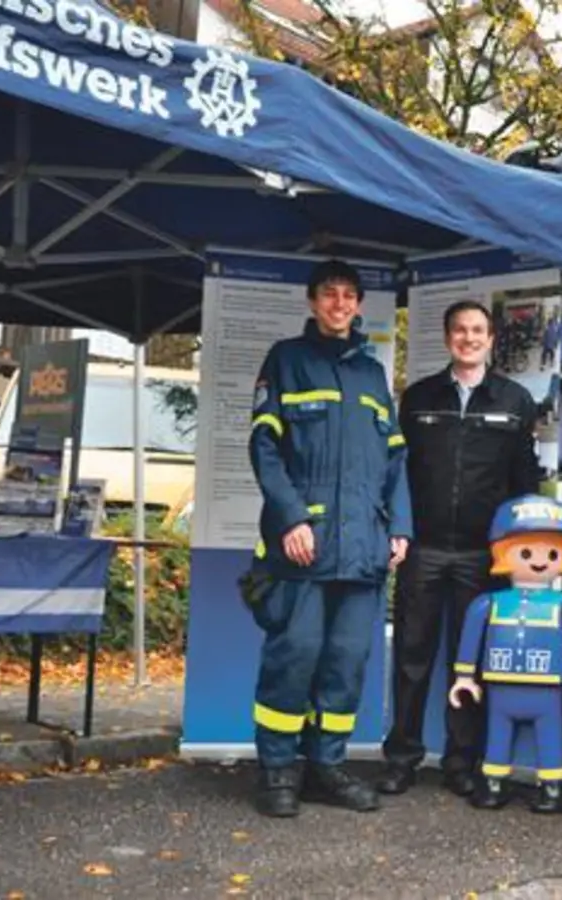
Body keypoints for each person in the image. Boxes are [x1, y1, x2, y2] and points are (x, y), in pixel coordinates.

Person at [245, 258, 412, 819]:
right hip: (304, 544)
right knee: (295, 657)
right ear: (313, 302)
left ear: (359, 305)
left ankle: (326, 766)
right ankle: (276, 770)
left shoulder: (372, 375)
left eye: (348, 295)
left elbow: (395, 462)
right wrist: (291, 518)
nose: (340, 304)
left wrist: (401, 528)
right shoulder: (286, 361)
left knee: (347, 660)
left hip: (363, 547)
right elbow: (264, 449)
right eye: (329, 294)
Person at [376, 300, 543, 798]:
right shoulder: (420, 397)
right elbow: (399, 473)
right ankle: (401, 758)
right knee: (411, 656)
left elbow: (524, 481)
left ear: (491, 339)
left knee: (468, 663)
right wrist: (399, 530)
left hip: (481, 553)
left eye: (477, 331)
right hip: (423, 549)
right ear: (448, 338)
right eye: (460, 331)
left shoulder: (514, 401)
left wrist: (516, 548)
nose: (468, 338)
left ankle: (461, 762)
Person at [447, 494, 562, 814]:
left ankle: (553, 787)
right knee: (497, 735)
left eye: (550, 551)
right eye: (525, 551)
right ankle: (493, 783)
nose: (538, 560)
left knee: (550, 738)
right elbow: (470, 641)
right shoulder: (488, 605)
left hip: (548, 690)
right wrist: (464, 677)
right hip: (500, 686)